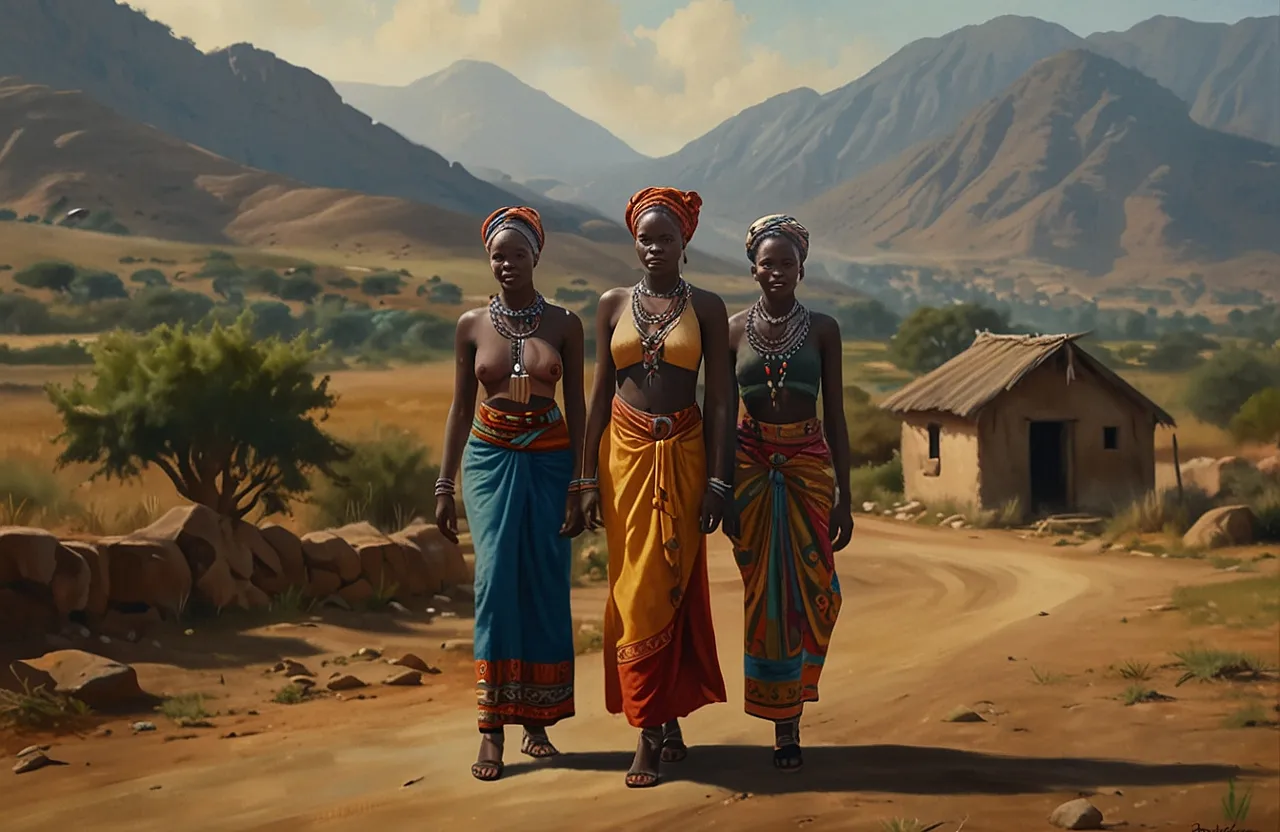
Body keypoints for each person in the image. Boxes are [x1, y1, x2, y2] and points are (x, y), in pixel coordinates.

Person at [580, 186, 736, 789]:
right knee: (635, 585)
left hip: (687, 454)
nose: (653, 248)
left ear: (684, 242)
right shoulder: (612, 302)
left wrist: (719, 480)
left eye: (664, 238)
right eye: (645, 237)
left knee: (673, 581)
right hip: (623, 456)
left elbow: (721, 401)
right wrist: (585, 477)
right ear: (634, 240)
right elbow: (600, 392)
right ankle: (652, 724)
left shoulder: (709, 307)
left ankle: (659, 723)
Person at [434, 206, 587, 782]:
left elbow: (578, 408)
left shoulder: (565, 325)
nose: (506, 264)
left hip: (550, 461)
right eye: (498, 255)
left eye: (517, 254)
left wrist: (581, 483)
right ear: (488, 259)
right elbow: (459, 407)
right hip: (489, 459)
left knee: (543, 581)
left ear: (536, 258)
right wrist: (444, 484)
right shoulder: (470, 326)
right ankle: (491, 729)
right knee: (495, 581)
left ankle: (537, 721)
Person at [727, 214, 854, 773]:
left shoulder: (824, 329)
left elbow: (838, 415)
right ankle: (784, 727)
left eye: (786, 262)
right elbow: (720, 415)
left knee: (814, 595)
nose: (776, 271)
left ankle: (795, 706)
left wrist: (844, 496)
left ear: (801, 268)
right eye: (767, 262)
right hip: (751, 470)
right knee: (766, 599)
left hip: (807, 467)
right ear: (752, 267)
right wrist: (722, 486)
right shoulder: (731, 330)